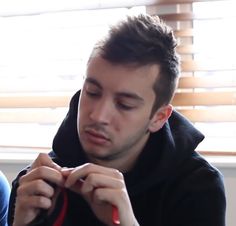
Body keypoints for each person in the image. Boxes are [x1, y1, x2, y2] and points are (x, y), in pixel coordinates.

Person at [8, 14, 226, 226]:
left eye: (125, 105)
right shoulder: (35, 184)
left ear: (159, 118)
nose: (98, 116)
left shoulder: (198, 188)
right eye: (92, 92)